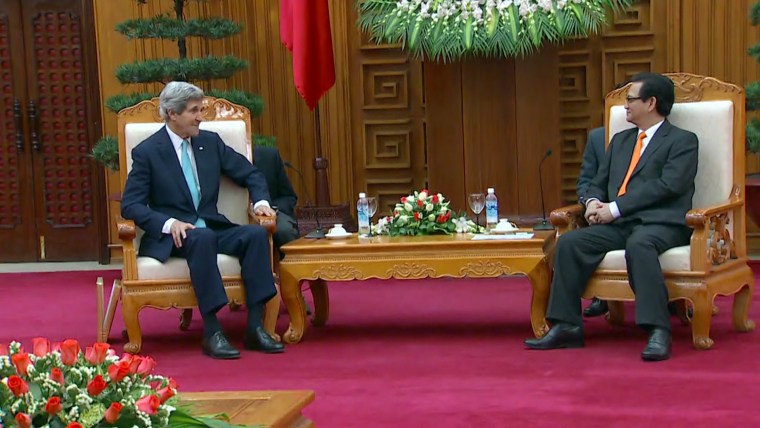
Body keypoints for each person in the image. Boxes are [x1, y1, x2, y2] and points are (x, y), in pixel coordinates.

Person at [525, 72, 698, 361]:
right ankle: (567, 326)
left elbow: (667, 186)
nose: (624, 105)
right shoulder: (620, 141)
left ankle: (658, 330)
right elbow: (598, 181)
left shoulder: (682, 141)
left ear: (651, 103)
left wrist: (614, 208)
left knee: (640, 244)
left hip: (661, 223)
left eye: (630, 99)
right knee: (569, 243)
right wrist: (593, 202)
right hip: (620, 223)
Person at [121, 81, 285, 359]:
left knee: (255, 235)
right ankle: (212, 330)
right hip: (174, 237)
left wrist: (261, 203)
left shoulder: (210, 143)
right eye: (194, 111)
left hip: (210, 226)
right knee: (201, 237)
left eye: (201, 110)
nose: (200, 117)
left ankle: (255, 327)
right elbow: (131, 205)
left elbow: (251, 174)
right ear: (173, 114)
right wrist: (168, 223)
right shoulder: (148, 152)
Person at [576, 126, 610, 318]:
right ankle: (601, 295)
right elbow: (585, 181)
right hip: (602, 214)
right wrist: (591, 202)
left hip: (643, 214)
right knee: (569, 241)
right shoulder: (598, 138)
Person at [253, 145, 299, 256]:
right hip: (232, 215)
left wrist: (269, 209)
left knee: (285, 230)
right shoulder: (220, 155)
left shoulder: (268, 156)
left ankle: (291, 266)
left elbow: (288, 197)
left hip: (271, 211)